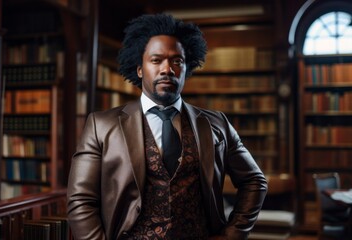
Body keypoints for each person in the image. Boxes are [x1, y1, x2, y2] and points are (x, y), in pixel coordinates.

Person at [67, 13, 267, 240]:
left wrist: (232, 235)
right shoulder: (101, 125)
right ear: (140, 69)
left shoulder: (217, 123)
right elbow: (80, 200)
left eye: (177, 61)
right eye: (156, 60)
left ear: (186, 69)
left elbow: (254, 181)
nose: (167, 69)